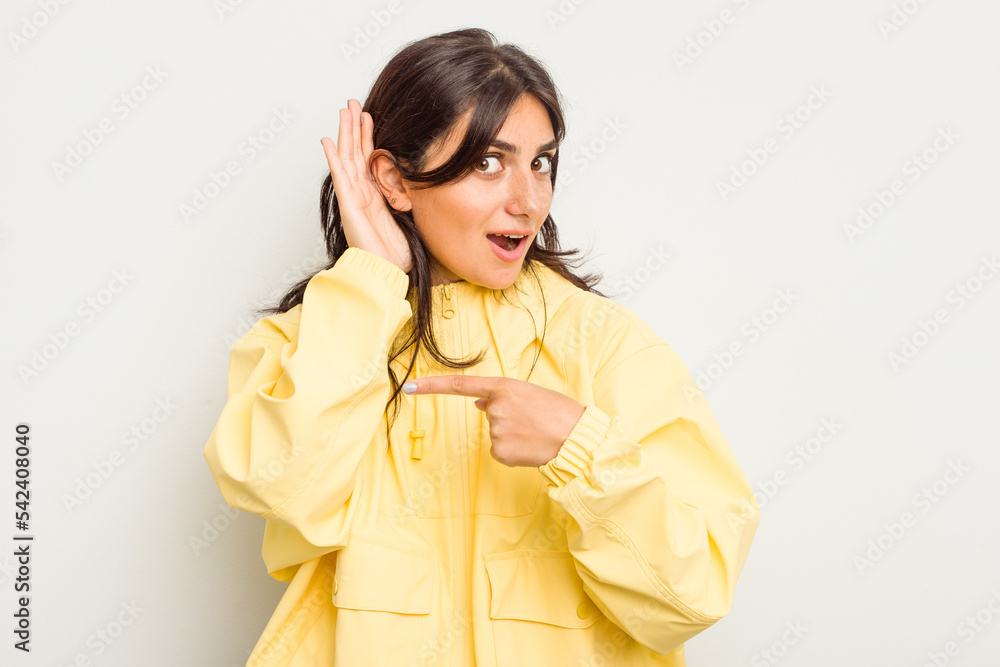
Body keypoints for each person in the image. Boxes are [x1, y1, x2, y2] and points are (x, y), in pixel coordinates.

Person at [203, 27, 761, 667]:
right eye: (489, 163)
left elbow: (692, 596)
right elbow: (280, 490)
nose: (527, 202)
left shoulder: (606, 344)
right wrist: (370, 280)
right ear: (395, 180)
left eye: (540, 163)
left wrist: (579, 449)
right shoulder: (313, 337)